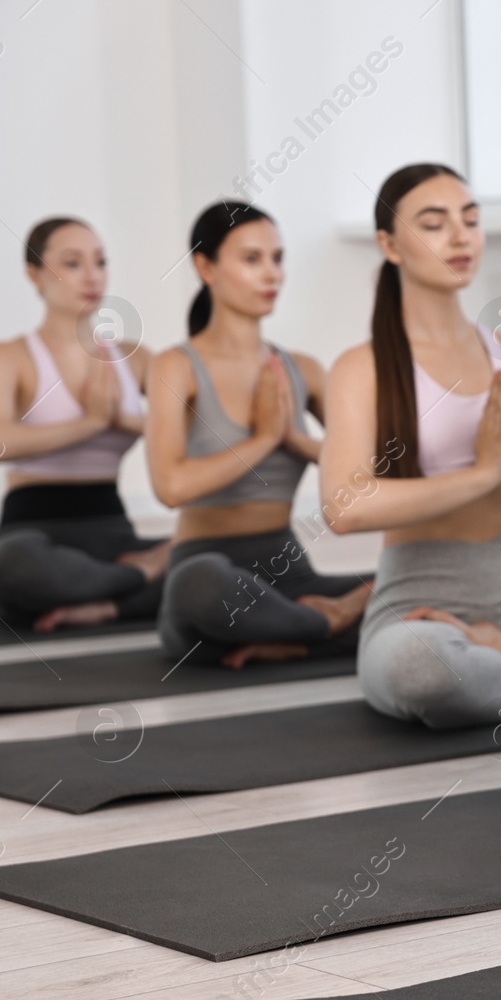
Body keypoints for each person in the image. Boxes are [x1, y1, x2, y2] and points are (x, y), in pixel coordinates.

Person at [320, 162, 501, 729]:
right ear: (388, 244)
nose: (461, 235)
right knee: (425, 672)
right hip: (416, 615)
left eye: (470, 219)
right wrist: (481, 474)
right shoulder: (361, 368)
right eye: (435, 222)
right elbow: (343, 508)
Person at [148, 201, 371, 668]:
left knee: (418, 576)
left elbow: (368, 468)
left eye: (277, 258)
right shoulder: (176, 367)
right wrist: (263, 440)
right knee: (202, 587)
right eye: (252, 259)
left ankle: (295, 636)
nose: (272, 274)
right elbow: (170, 488)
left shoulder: (303, 371)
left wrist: (293, 439)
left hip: (290, 575)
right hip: (208, 575)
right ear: (205, 267)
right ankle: (332, 626)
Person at [0, 216, 170, 631]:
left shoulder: (135, 358)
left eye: (100, 262)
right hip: (33, 536)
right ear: (34, 274)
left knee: (223, 557)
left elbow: (196, 434)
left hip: (114, 537)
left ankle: (104, 605)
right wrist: (93, 422)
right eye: (73, 263)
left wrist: (123, 419)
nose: (92, 276)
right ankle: (140, 581)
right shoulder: (9, 357)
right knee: (8, 571)